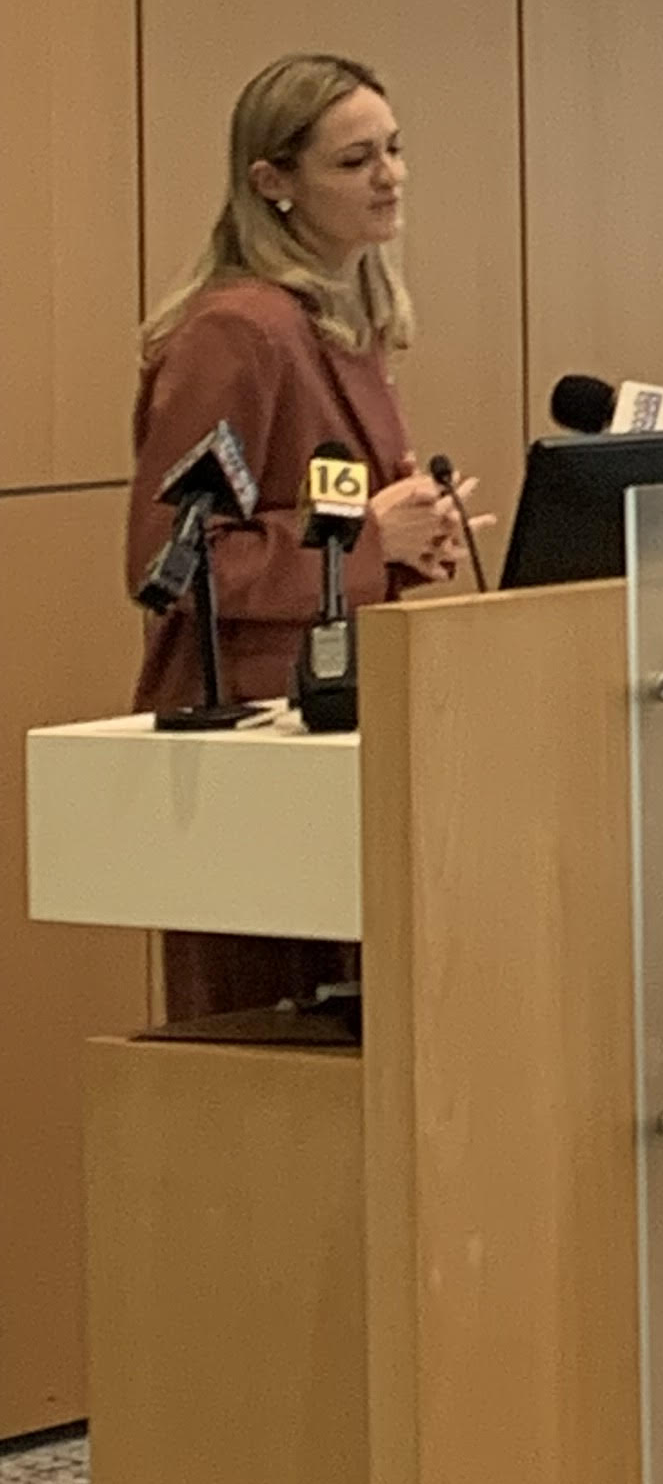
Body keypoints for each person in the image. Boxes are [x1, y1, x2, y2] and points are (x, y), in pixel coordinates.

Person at [128, 53, 471, 1018]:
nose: (390, 177)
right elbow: (168, 560)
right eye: (356, 160)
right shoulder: (237, 332)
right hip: (250, 736)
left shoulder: (339, 325)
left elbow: (329, 525)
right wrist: (371, 539)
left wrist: (409, 542)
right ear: (272, 184)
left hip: (343, 722)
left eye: (396, 151)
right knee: (272, 1045)